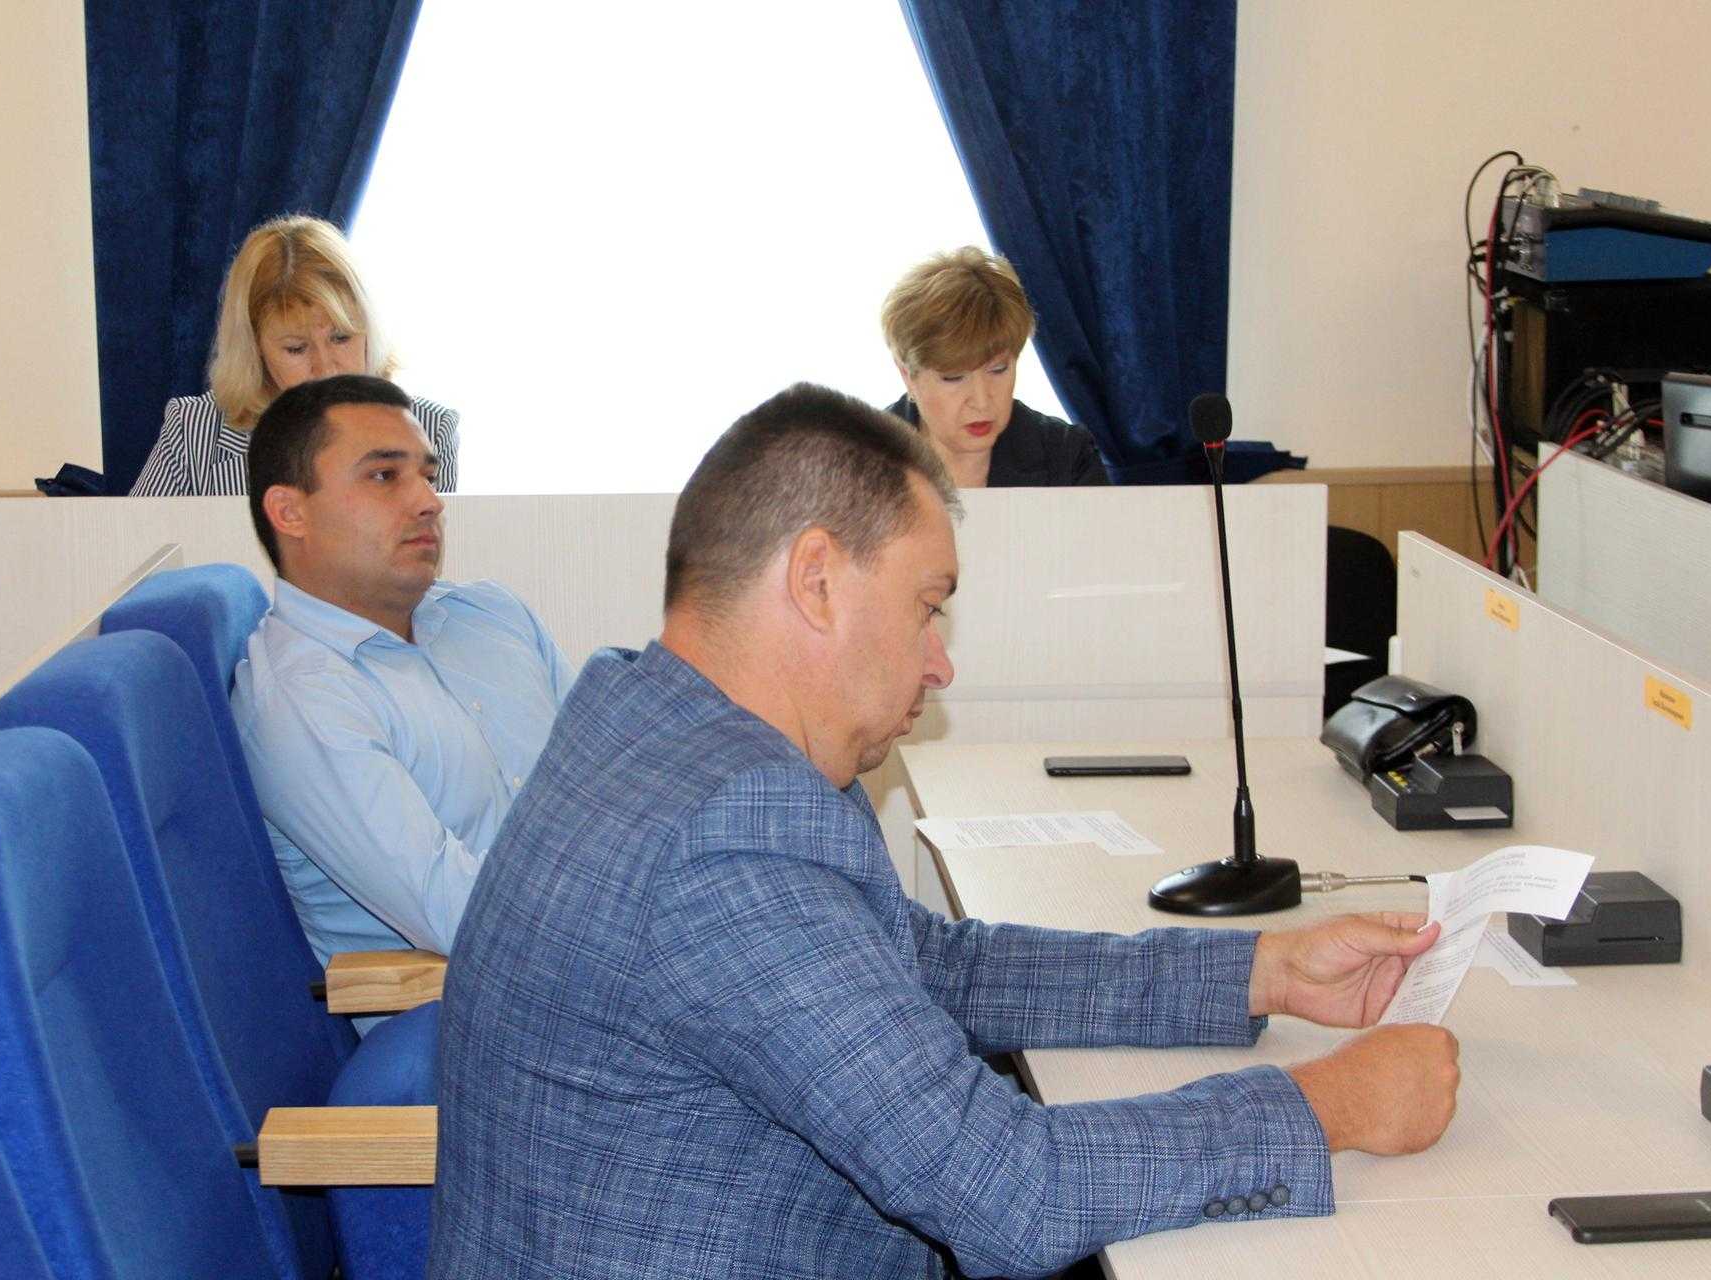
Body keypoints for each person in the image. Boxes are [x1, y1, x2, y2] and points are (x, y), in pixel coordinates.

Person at [430, 383, 1460, 1279]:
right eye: (928, 607)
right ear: (816, 580)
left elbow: (925, 963)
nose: (941, 661)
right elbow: (1009, 1192)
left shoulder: (650, 720)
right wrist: (1330, 1105)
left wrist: (1261, 972)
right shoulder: (725, 837)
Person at [231, 374, 570, 988]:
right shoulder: (302, 699)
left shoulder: (493, 615)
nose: (429, 501)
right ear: (290, 512)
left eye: (428, 475)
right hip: (484, 1005)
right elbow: (466, 918)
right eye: (385, 476)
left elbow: (615, 788)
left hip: (604, 950)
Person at [131, 215, 460, 496]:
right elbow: (135, 548)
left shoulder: (431, 430)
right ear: (255, 351)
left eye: (341, 338)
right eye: (296, 349)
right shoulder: (191, 431)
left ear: (369, 332)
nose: (325, 368)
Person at [881, 246, 1109, 489]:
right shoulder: (857, 459)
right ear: (907, 375)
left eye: (998, 369)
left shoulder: (1067, 457)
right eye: (954, 377)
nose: (981, 402)